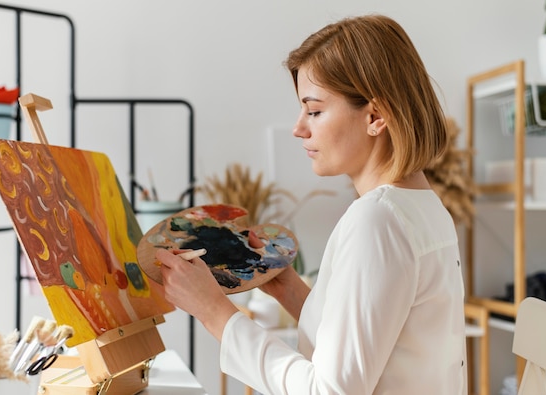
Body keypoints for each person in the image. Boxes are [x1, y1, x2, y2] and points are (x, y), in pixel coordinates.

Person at [155, 14, 467, 395]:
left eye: (314, 110)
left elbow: (329, 391)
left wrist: (213, 312)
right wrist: (288, 289)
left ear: (376, 116)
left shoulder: (377, 220)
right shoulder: (423, 207)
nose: (299, 127)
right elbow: (371, 344)